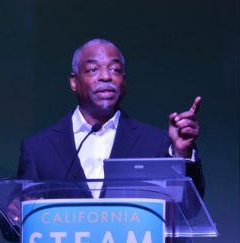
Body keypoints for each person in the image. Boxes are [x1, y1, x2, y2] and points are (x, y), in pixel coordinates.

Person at [17, 38, 205, 197]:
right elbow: (12, 225)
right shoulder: (39, 149)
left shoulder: (158, 144)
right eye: (93, 70)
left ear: (123, 79)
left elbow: (188, 208)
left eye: (114, 69)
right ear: (74, 81)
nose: (106, 76)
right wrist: (17, 212)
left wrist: (182, 153)